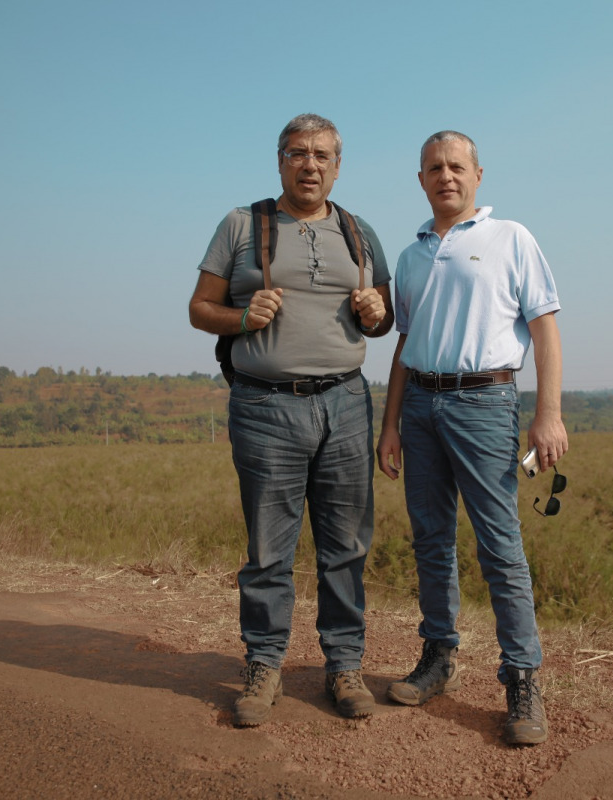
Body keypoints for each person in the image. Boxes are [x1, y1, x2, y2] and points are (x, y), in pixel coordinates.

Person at [189, 113, 394, 727]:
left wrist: (375, 312)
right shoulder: (242, 225)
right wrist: (243, 316)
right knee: (269, 547)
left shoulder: (359, 232)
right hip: (265, 405)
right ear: (280, 160)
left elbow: (382, 320)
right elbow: (200, 309)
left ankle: (345, 667)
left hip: (347, 404)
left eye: (323, 155)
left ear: (338, 165)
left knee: (346, 545)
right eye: (299, 153)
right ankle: (263, 664)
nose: (311, 165)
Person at [377, 131, 567, 746]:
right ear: (421, 179)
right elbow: (404, 346)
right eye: (434, 168)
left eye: (456, 166)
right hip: (422, 407)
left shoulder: (511, 237)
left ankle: (522, 679)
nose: (446, 176)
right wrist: (390, 425)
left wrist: (549, 415)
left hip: (486, 400)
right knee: (431, 539)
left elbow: (545, 329)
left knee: (498, 545)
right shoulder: (410, 257)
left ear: (478, 175)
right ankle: (437, 659)